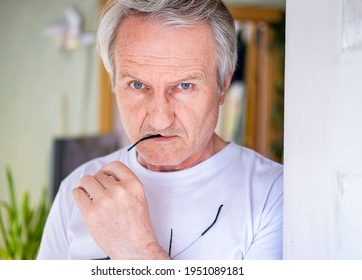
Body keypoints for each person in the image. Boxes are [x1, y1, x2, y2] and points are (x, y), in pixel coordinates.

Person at [37, 0, 283, 260]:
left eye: (184, 86)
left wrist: (136, 251)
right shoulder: (78, 190)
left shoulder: (273, 195)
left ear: (223, 85)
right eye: (138, 85)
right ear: (113, 83)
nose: (160, 120)